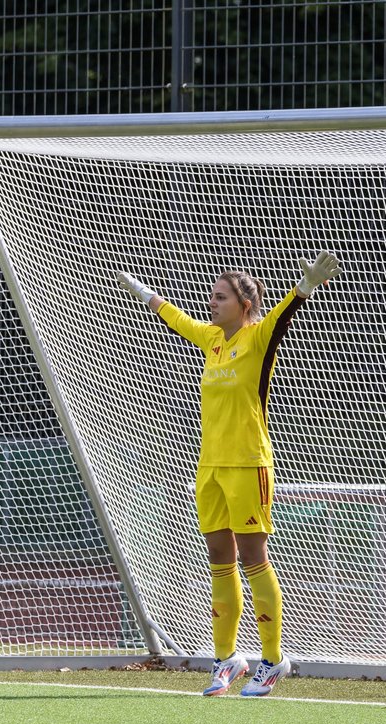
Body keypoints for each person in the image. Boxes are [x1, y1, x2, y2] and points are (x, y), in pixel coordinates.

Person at [115, 252, 341, 697]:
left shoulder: (257, 338)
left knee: (253, 558)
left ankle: (273, 661)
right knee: (220, 557)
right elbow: (176, 318)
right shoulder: (214, 340)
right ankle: (227, 659)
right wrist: (142, 292)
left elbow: (283, 314)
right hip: (211, 466)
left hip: (248, 464)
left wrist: (305, 286)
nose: (212, 303)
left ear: (244, 304)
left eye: (221, 297)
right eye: (212, 296)